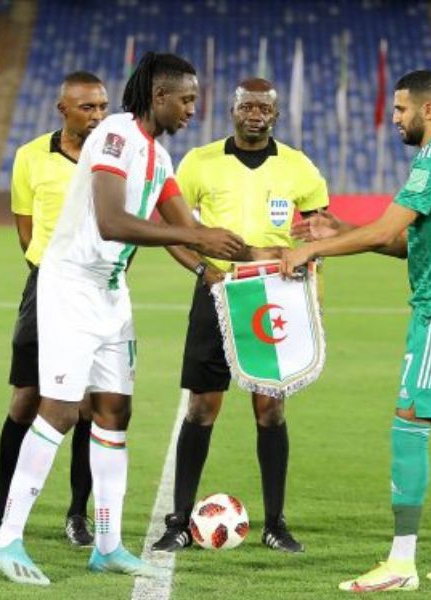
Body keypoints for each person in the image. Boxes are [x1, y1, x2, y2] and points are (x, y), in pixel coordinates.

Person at [0, 52, 247, 586]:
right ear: (159, 97)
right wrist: (198, 238)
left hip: (110, 292)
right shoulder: (116, 136)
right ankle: (7, 537)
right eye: (188, 99)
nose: (194, 110)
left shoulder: (160, 157)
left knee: (113, 412)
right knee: (58, 409)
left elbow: (189, 227)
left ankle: (106, 545)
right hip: (70, 286)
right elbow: (110, 221)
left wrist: (272, 257)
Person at [284, 70, 431, 591]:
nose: (395, 118)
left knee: (409, 419)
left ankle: (402, 564)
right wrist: (340, 232)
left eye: (401, 110)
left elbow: (385, 229)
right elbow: (404, 244)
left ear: (428, 110)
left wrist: (313, 247)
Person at [151, 78, 329, 554]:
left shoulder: (299, 167)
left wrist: (312, 290)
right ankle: (179, 521)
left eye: (264, 107)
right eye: (247, 105)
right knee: (202, 407)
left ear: (276, 114)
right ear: (232, 110)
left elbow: (319, 234)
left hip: (273, 297)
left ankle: (276, 522)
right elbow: (168, 227)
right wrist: (204, 269)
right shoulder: (199, 162)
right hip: (216, 292)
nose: (255, 113)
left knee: (271, 409)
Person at [0, 71, 109, 548]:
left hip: (97, 291)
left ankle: (77, 514)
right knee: (25, 401)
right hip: (47, 289)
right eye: (87, 107)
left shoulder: (113, 158)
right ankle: (2, 511)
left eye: (102, 107)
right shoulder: (30, 156)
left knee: (87, 406)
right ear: (63, 109)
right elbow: (25, 229)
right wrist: (52, 269)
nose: (97, 116)